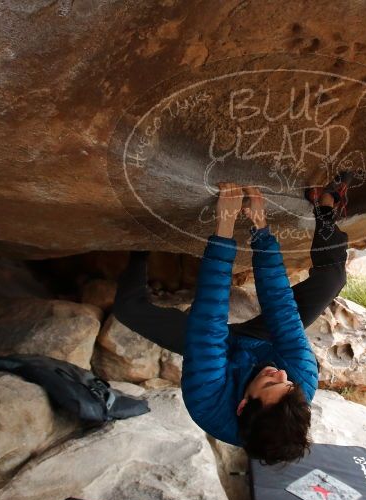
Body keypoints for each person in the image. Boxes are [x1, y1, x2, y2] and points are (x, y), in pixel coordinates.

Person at [112, 177, 351, 464]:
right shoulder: (301, 380)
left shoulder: (208, 402)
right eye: (287, 384)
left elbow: (209, 319)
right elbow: (280, 307)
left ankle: (140, 247)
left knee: (127, 308)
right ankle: (325, 206)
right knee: (332, 279)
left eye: (271, 384)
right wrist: (261, 229)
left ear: (242, 405)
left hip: (221, 355)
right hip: (263, 340)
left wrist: (224, 227)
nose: (281, 374)